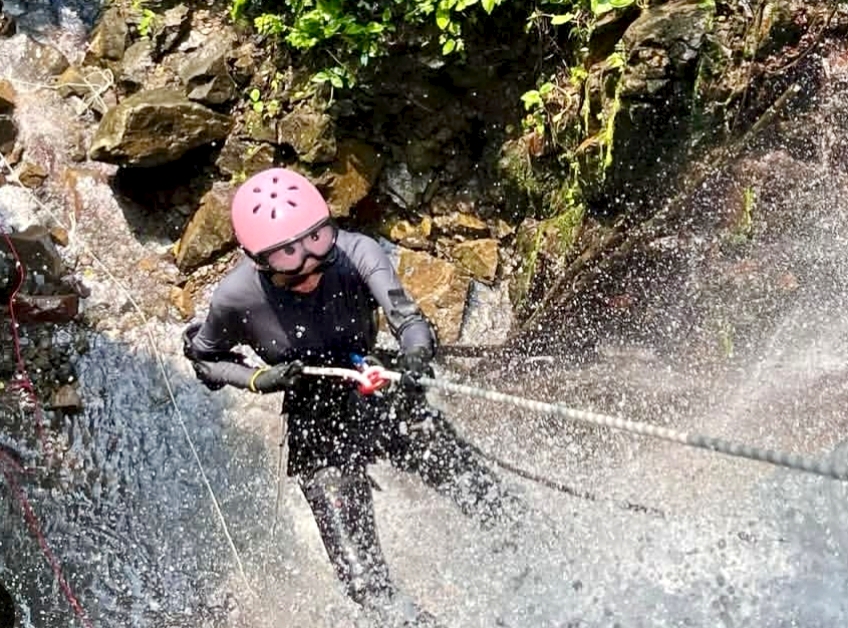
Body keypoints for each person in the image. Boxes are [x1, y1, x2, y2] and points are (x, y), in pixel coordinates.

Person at [182, 167, 521, 627]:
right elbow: (205, 359)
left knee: (486, 496)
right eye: (291, 274)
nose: (309, 276)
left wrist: (416, 356)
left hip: (377, 387)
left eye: (319, 260)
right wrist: (260, 379)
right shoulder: (235, 298)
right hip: (315, 425)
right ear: (259, 262)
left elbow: (407, 319)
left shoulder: (357, 252)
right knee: (363, 583)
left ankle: (539, 566)